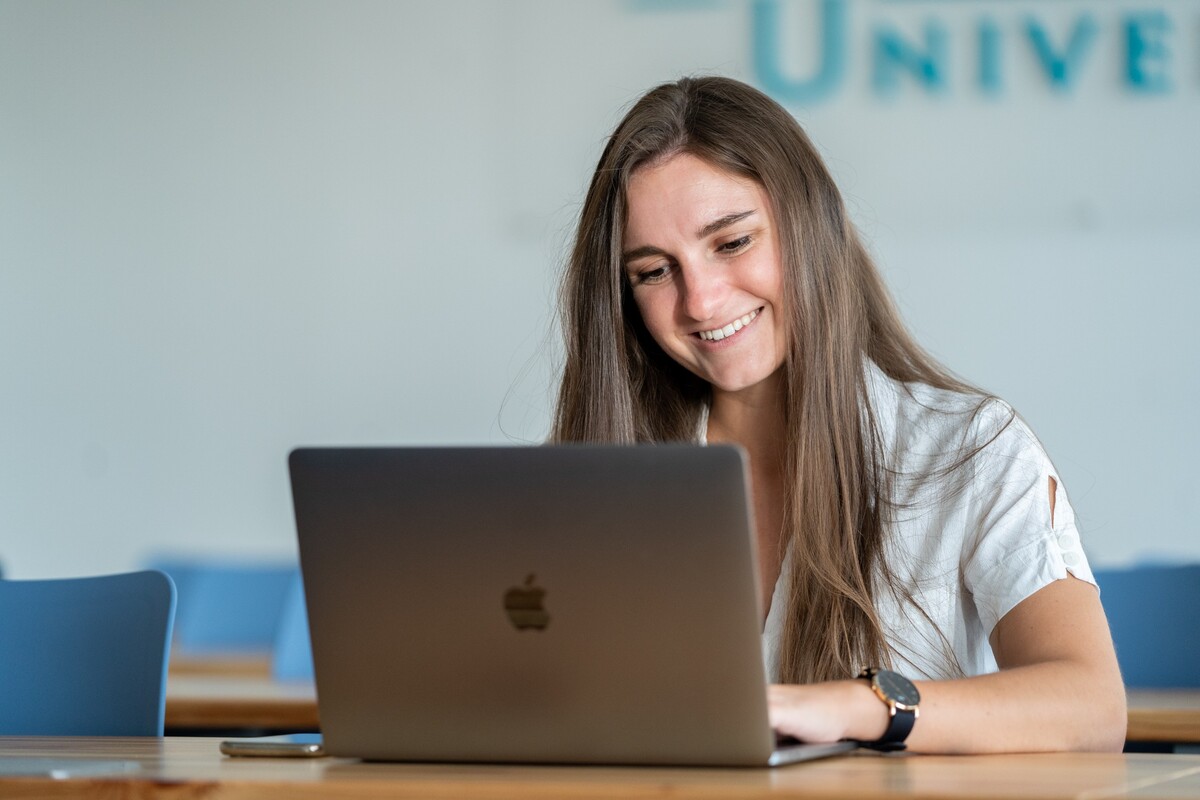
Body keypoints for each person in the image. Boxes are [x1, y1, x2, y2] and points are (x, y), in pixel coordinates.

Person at [551, 76, 1125, 753]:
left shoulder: (969, 448)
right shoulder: (595, 476)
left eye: (732, 243)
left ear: (808, 228)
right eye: (654, 272)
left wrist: (859, 706)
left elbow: (1091, 709)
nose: (701, 302)